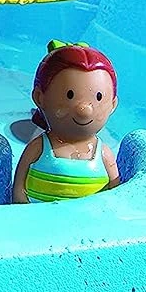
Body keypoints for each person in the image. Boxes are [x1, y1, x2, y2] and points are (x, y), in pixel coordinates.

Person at [12, 41, 121, 203]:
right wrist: (22, 205)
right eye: (70, 95)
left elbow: (115, 190)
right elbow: (19, 186)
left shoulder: (103, 154)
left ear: (113, 104)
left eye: (98, 97)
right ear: (40, 98)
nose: (85, 110)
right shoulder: (39, 148)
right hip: (40, 216)